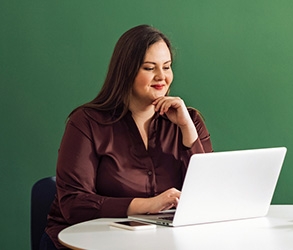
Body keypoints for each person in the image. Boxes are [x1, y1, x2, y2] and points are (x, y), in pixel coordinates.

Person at [41, 24, 213, 249]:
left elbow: (208, 198)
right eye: (149, 68)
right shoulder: (86, 122)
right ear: (126, 71)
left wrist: (187, 130)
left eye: (167, 67)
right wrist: (147, 204)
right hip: (87, 240)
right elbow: (74, 204)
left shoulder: (188, 120)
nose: (162, 77)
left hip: (162, 241)